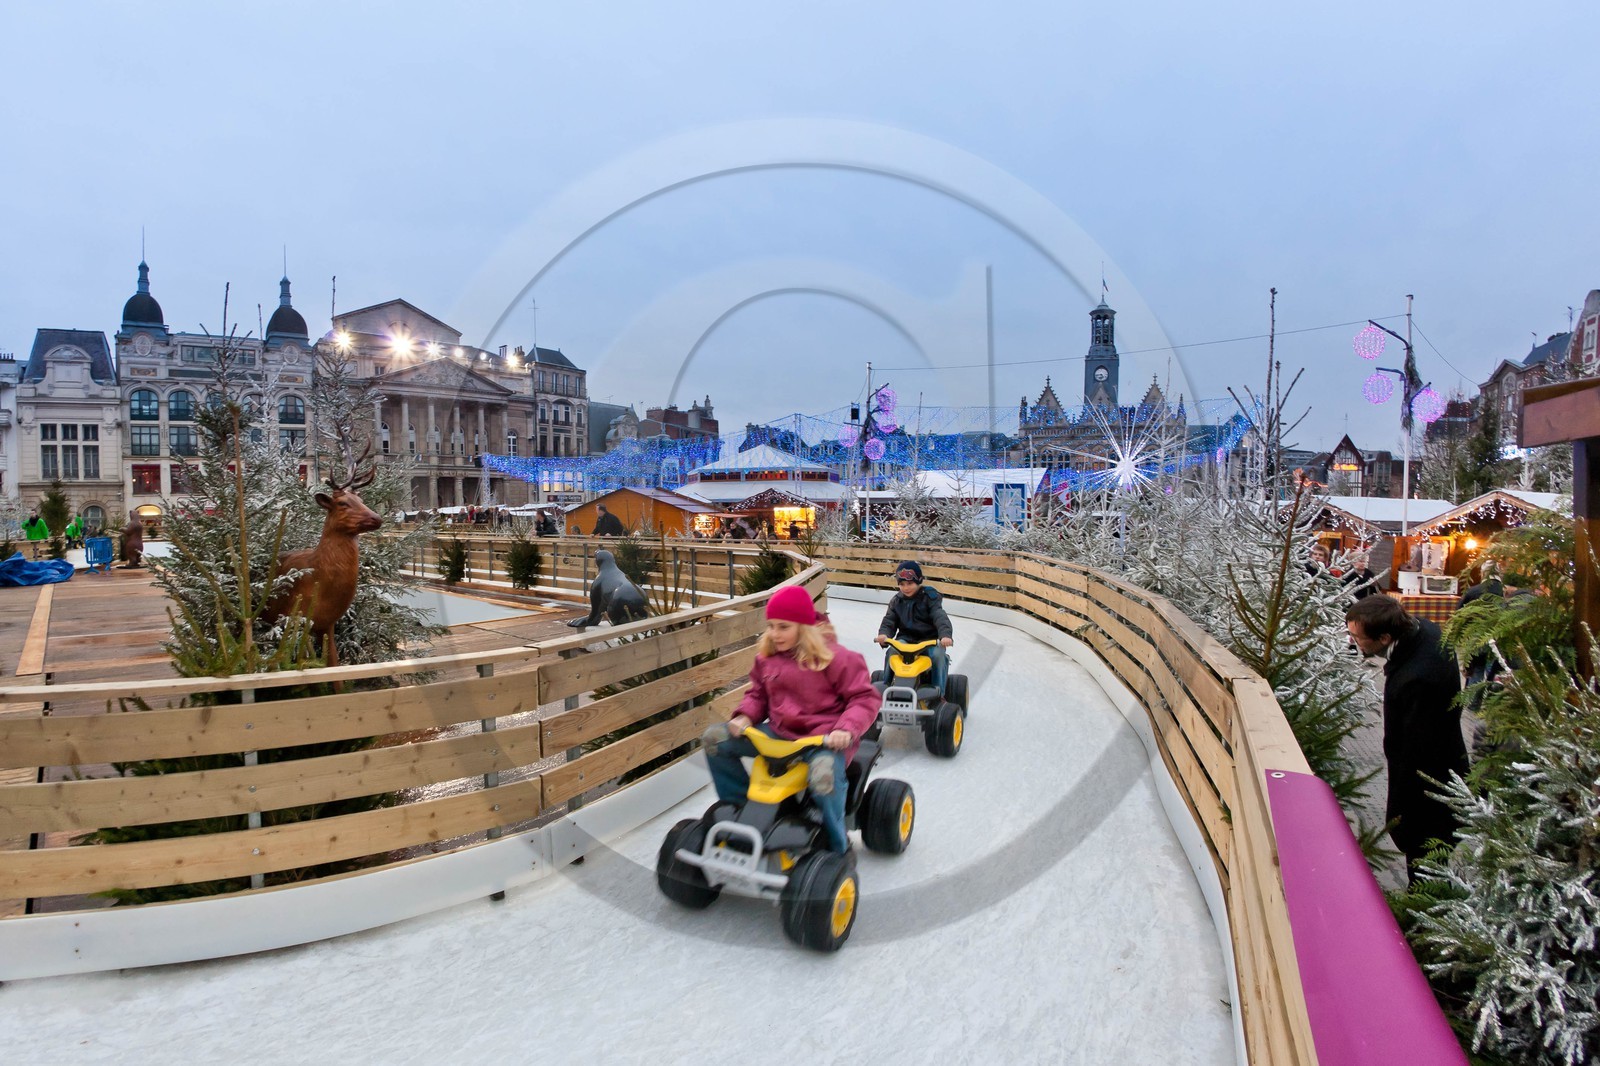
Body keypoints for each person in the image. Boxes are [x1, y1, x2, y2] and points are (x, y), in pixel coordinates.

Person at [702, 585, 880, 856]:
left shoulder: (838, 658)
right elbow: (758, 694)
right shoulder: (767, 658)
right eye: (771, 626)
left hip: (823, 740)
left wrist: (845, 729)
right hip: (778, 734)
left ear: (803, 626)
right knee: (715, 739)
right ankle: (739, 810)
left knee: (823, 774)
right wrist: (745, 715)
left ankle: (837, 844)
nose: (774, 634)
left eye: (783, 627)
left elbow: (864, 699)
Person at [1345, 594, 1467, 880]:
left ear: (1385, 637)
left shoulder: (1418, 678)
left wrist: (1399, 813)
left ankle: (1427, 912)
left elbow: (1414, 751)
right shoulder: (1426, 630)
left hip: (1427, 784)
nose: (1354, 642)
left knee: (1424, 854)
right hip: (1439, 763)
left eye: (1358, 637)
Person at [875, 560, 955, 692]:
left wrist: (945, 635)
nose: (906, 588)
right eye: (902, 584)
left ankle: (938, 692)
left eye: (910, 583)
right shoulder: (897, 601)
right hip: (906, 640)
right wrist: (884, 635)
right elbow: (889, 620)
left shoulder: (929, 597)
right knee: (892, 652)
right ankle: (886, 687)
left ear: (919, 581)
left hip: (929, 640)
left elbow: (939, 616)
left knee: (937, 655)